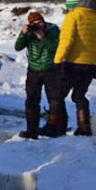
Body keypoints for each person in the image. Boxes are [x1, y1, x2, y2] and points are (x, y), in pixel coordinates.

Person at [53, 0, 96, 137]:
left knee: (57, 96)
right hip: (89, 65)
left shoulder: (73, 17)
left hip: (71, 64)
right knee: (79, 96)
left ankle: (57, 126)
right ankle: (84, 127)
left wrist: (57, 61)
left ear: (72, 6)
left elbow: (66, 42)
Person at [14, 10, 63, 139]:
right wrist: (23, 34)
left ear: (44, 21)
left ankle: (54, 128)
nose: (38, 25)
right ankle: (32, 130)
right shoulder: (30, 32)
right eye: (35, 23)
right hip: (33, 70)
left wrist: (43, 38)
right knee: (31, 100)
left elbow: (58, 47)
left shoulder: (53, 30)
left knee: (54, 100)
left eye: (40, 22)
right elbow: (18, 47)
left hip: (50, 69)